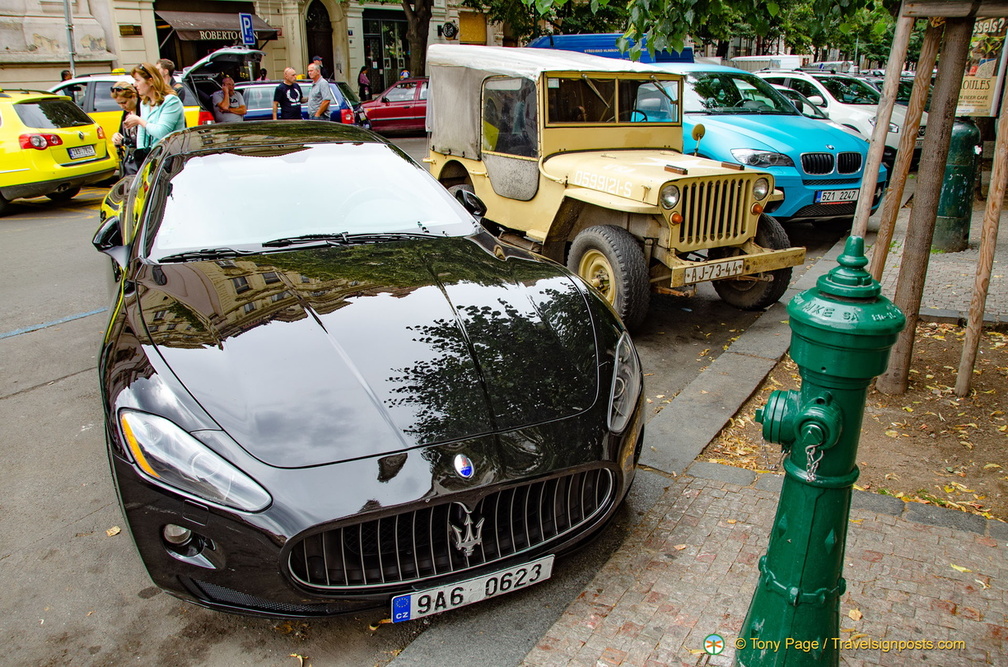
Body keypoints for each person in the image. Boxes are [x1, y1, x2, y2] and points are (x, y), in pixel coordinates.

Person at [124, 63, 185, 163]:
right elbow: (141, 133)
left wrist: (139, 121)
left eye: (138, 80)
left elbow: (162, 132)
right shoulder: (145, 103)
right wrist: (142, 156)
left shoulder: (171, 101)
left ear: (150, 81)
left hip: (171, 157)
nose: (135, 85)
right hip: (152, 158)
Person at [110, 82, 141, 175]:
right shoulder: (127, 112)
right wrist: (117, 137)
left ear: (134, 96)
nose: (122, 106)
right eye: (119, 103)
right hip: (131, 161)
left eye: (124, 102)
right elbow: (121, 132)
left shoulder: (144, 110)